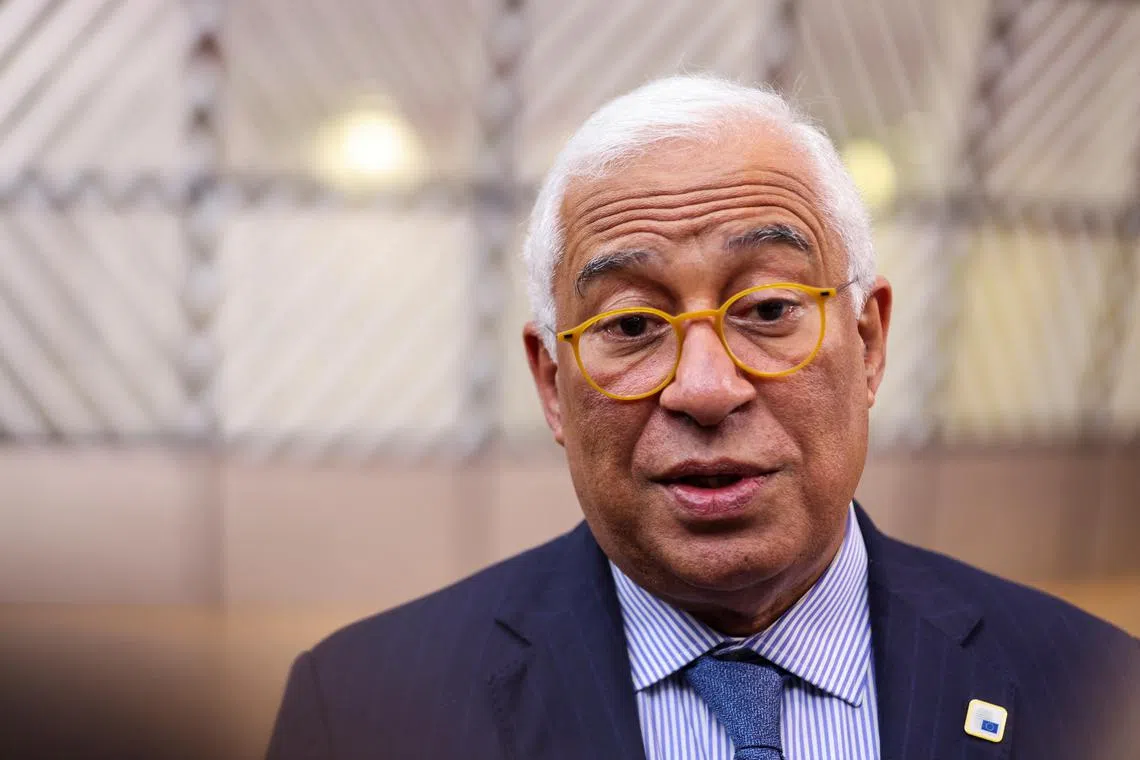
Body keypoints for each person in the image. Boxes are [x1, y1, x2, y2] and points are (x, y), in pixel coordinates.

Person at [266, 76, 1138, 760]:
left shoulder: (1098, 692)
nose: (706, 388)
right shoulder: (364, 710)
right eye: (633, 326)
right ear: (550, 382)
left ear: (868, 343)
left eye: (766, 311)